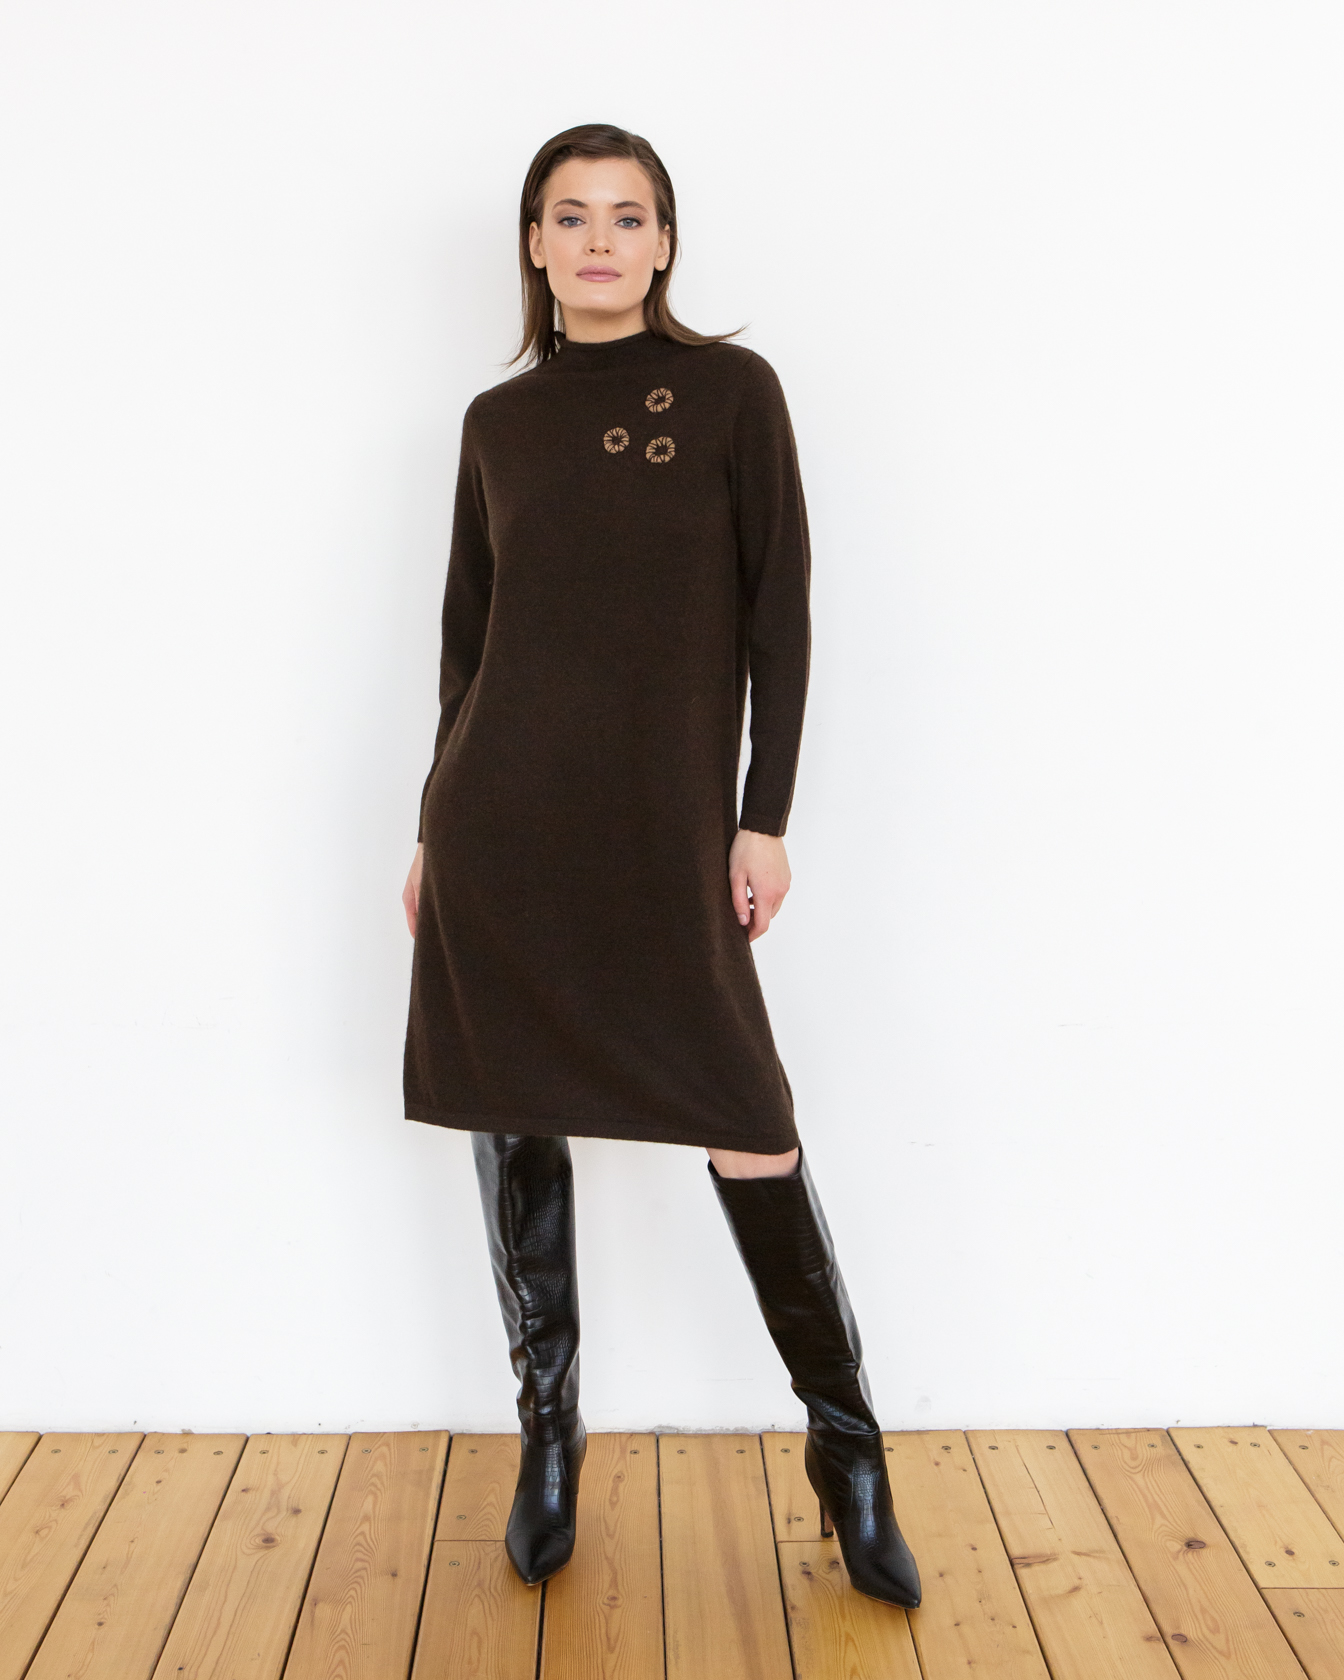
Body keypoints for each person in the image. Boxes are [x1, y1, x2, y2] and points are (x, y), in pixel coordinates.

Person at [400, 122, 920, 1610]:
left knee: (748, 1122)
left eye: (627, 217)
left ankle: (849, 1454)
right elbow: (467, 644)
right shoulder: (497, 424)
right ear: (535, 244)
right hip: (503, 823)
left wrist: (765, 815)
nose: (600, 241)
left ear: (667, 242)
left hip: (665, 827)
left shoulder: (733, 393)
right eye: (571, 217)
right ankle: (548, 1439)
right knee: (515, 1108)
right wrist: (433, 826)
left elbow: (781, 616)